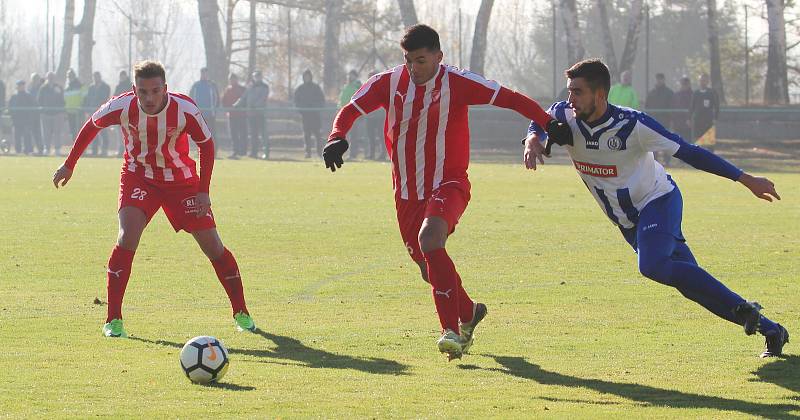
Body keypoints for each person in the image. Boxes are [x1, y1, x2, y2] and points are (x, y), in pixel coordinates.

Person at [323, 24, 572, 360]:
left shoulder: (458, 82)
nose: (414, 68)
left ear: (439, 57)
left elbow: (510, 98)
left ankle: (451, 330)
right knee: (428, 266)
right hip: (407, 192)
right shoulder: (389, 82)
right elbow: (350, 110)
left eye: (421, 60)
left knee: (430, 241)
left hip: (449, 182)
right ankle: (469, 312)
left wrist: (546, 121)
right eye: (409, 60)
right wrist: (336, 136)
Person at [523, 59, 788, 358]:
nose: (570, 99)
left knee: (652, 266)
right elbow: (539, 120)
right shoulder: (564, 113)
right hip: (627, 222)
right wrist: (533, 139)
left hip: (658, 202)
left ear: (599, 94)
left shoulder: (633, 124)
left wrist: (745, 178)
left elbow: (690, 152)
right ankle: (771, 329)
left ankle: (749, 313)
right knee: (691, 284)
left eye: (578, 92)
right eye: (570, 91)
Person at [51, 60, 256, 338]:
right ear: (134, 90)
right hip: (140, 178)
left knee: (213, 246)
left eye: (155, 91)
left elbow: (207, 145)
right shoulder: (121, 106)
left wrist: (203, 190)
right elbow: (91, 126)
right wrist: (69, 164)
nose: (149, 98)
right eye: (143, 92)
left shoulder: (184, 110)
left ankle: (241, 312)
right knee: (127, 237)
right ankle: (113, 319)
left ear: (165, 89)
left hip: (181, 183)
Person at [234, 70, 270, 159]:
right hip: (251, 114)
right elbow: (243, 97)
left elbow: (263, 98)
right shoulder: (250, 87)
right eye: (255, 76)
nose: (257, 78)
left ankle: (266, 152)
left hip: (260, 113)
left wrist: (255, 106)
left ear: (261, 77)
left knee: (263, 134)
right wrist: (236, 104)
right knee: (253, 134)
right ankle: (254, 152)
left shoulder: (265, 87)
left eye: (258, 76)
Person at [294, 69, 326, 158]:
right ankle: (307, 152)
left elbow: (322, 100)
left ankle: (320, 152)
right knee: (306, 135)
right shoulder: (300, 89)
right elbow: (296, 101)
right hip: (305, 116)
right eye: (305, 76)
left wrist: (315, 107)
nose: (307, 78)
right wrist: (302, 110)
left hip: (315, 115)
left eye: (308, 76)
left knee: (318, 135)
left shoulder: (316, 88)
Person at [645, 73, 675, 166]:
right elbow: (647, 106)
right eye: (658, 79)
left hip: (665, 121)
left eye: (661, 79)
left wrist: (671, 119)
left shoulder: (669, 93)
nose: (659, 81)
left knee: (666, 142)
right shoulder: (651, 93)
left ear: (663, 80)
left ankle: (667, 161)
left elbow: (672, 107)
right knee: (653, 142)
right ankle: (654, 161)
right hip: (653, 121)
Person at [38, 72, 66, 155]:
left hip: (57, 114)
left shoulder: (59, 88)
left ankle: (57, 149)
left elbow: (63, 101)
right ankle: (47, 149)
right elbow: (39, 100)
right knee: (46, 132)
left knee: (57, 132)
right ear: (47, 78)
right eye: (49, 78)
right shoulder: (43, 88)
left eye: (52, 77)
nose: (50, 79)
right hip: (46, 114)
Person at [189, 67, 220, 144]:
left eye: (206, 73)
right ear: (201, 74)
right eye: (203, 73)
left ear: (208, 74)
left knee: (212, 132)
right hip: (199, 114)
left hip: (210, 114)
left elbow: (217, 98)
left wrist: (214, 110)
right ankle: (201, 150)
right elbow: (191, 98)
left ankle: (214, 150)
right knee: (200, 133)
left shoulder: (212, 85)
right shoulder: (196, 85)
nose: (204, 75)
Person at [84, 71, 111, 156]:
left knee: (104, 132)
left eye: (97, 76)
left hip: (103, 111)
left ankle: (104, 150)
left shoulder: (106, 87)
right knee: (93, 132)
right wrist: (88, 111)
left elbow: (105, 98)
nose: (95, 78)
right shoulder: (91, 87)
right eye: (94, 77)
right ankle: (94, 151)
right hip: (93, 112)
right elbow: (88, 99)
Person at [691, 73, 719, 152]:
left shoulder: (712, 92)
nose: (702, 82)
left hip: (708, 120)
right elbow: (692, 106)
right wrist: (689, 118)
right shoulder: (696, 93)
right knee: (697, 140)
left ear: (707, 81)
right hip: (698, 120)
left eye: (704, 80)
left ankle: (710, 158)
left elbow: (717, 106)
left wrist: (715, 118)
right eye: (701, 80)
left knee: (709, 142)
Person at [339, 69, 364, 158]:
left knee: (353, 135)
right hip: (344, 113)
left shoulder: (357, 87)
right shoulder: (346, 86)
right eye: (349, 75)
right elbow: (341, 100)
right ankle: (344, 152)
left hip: (353, 114)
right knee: (345, 134)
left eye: (352, 75)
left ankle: (353, 153)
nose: (350, 77)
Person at [221, 73, 247, 159]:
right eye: (231, 79)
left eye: (233, 79)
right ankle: (235, 151)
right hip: (231, 115)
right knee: (233, 134)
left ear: (236, 79)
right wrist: (227, 109)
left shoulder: (242, 89)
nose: (232, 81)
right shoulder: (227, 90)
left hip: (241, 115)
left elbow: (245, 100)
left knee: (242, 133)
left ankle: (243, 151)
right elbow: (224, 101)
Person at [8, 80, 37, 154]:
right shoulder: (14, 96)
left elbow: (32, 107)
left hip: (26, 120)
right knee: (17, 136)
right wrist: (12, 116)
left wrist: (31, 119)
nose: (21, 87)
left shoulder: (28, 96)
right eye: (19, 86)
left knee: (27, 136)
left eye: (22, 85)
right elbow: (10, 108)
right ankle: (18, 150)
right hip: (17, 120)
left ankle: (27, 150)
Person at [364, 71, 386, 161]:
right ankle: (372, 154)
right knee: (371, 136)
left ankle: (383, 154)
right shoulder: (366, 87)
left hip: (380, 116)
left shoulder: (382, 87)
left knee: (381, 136)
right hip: (370, 116)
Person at [64, 69, 86, 140]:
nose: (69, 78)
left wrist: (81, 107)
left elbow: (85, 99)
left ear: (74, 76)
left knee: (80, 131)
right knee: (73, 131)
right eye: (68, 76)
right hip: (70, 112)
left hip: (78, 112)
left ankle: (82, 148)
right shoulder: (67, 88)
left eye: (71, 76)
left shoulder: (80, 85)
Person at [672, 76, 693, 148]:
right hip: (678, 124)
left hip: (688, 125)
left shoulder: (693, 95)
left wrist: (689, 119)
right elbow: (673, 108)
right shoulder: (676, 95)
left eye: (685, 84)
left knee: (689, 144)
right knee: (679, 145)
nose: (684, 86)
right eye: (682, 84)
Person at [28, 73, 45, 155]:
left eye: (36, 79)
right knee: (33, 132)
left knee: (40, 132)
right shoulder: (30, 88)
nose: (35, 80)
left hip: (40, 114)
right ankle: (31, 149)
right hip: (31, 114)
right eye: (34, 79)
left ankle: (41, 149)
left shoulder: (42, 88)